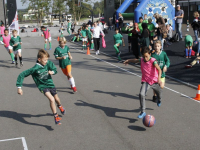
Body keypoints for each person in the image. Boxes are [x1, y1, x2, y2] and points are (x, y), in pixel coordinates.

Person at [16, 49, 66, 125]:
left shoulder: (48, 63)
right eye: (45, 60)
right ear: (39, 59)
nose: (46, 61)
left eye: (47, 60)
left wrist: (52, 72)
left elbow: (55, 69)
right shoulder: (35, 69)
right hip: (42, 86)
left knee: (56, 99)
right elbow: (22, 74)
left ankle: (60, 106)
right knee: (52, 99)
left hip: (50, 84)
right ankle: (56, 117)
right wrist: (19, 87)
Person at [124, 47, 162, 118]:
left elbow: (159, 70)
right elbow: (135, 60)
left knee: (159, 93)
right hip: (146, 81)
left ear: (150, 54)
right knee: (141, 94)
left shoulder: (153, 61)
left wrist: (159, 79)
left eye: (147, 56)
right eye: (144, 57)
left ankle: (159, 100)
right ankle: (143, 111)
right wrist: (128, 60)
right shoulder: (142, 60)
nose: (145, 58)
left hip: (154, 81)